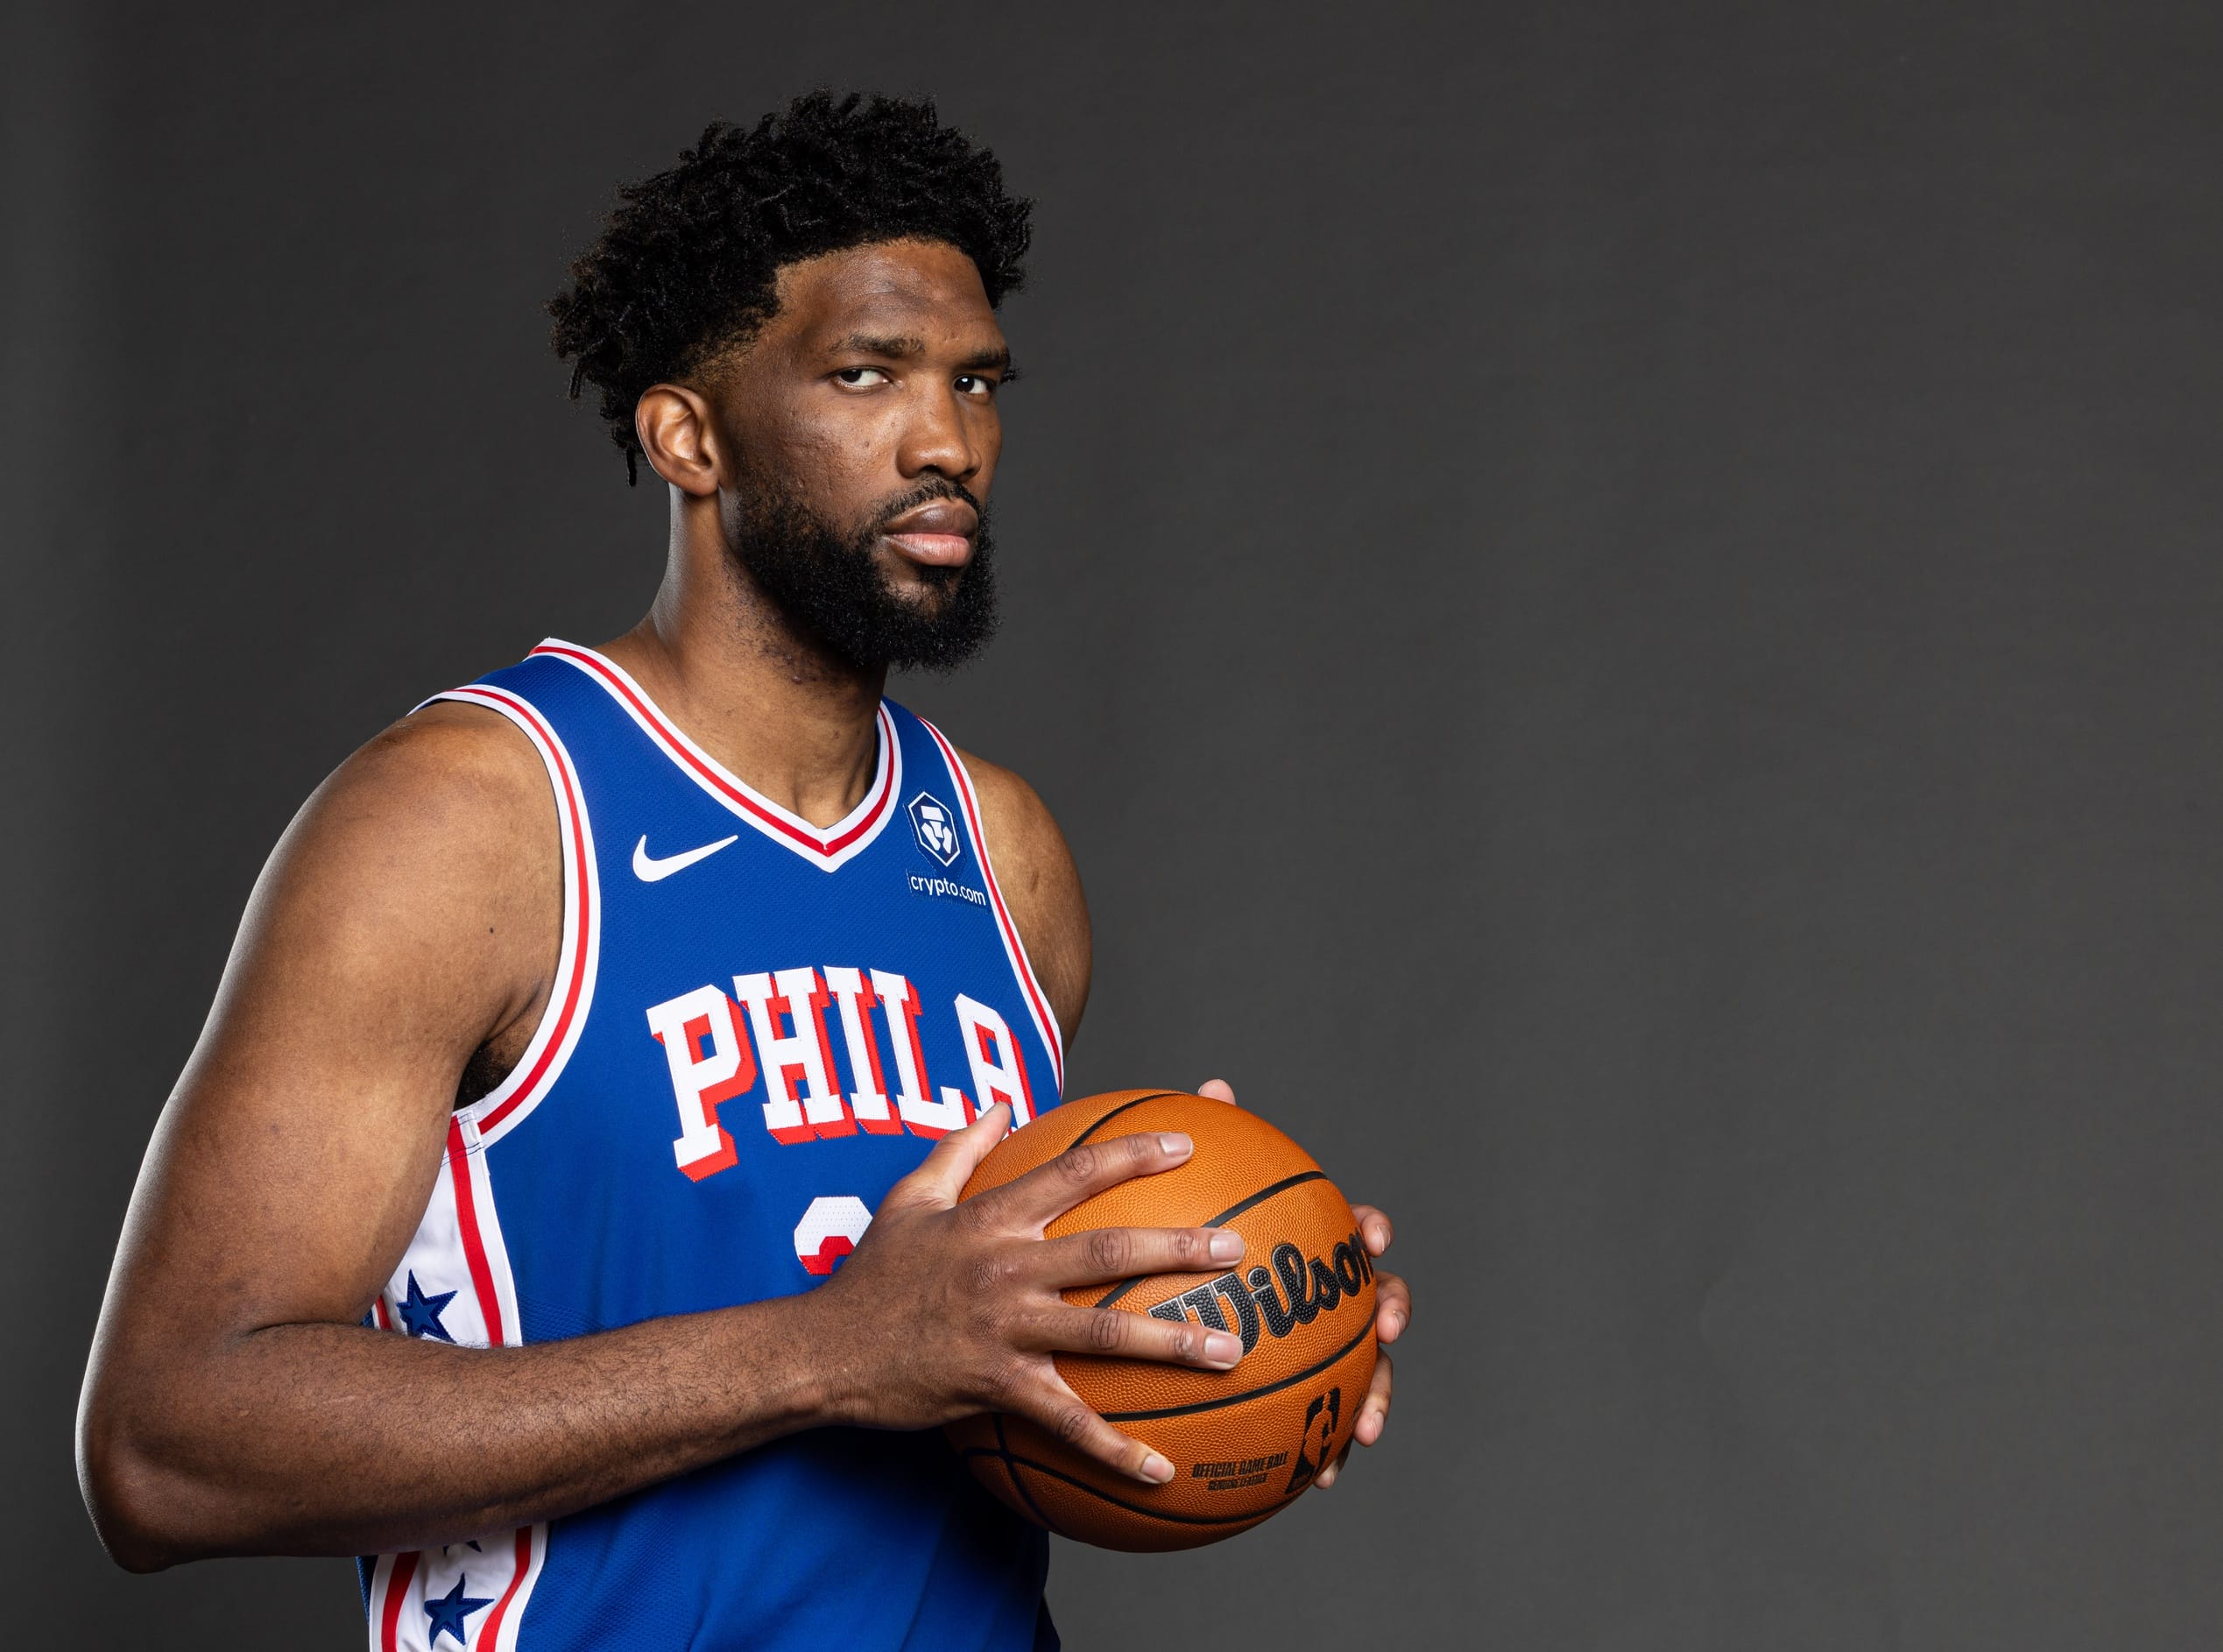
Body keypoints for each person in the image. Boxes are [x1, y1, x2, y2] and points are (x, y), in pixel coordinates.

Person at [76, 91, 1410, 1650]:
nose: (947, 443)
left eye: (976, 383)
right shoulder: (475, 819)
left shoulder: (1003, 853)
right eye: (868, 375)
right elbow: (165, 1449)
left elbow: (979, 1365)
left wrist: (1224, 1306)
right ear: (686, 434)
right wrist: (826, 1348)